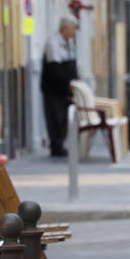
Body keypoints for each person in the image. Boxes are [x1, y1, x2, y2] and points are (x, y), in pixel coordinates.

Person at [41, 16, 79, 157]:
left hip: (65, 89)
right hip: (54, 89)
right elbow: (54, 67)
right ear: (65, 28)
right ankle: (56, 146)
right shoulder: (53, 42)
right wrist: (67, 82)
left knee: (64, 118)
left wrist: (74, 81)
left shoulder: (69, 43)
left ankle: (60, 144)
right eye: (73, 27)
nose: (75, 31)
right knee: (55, 118)